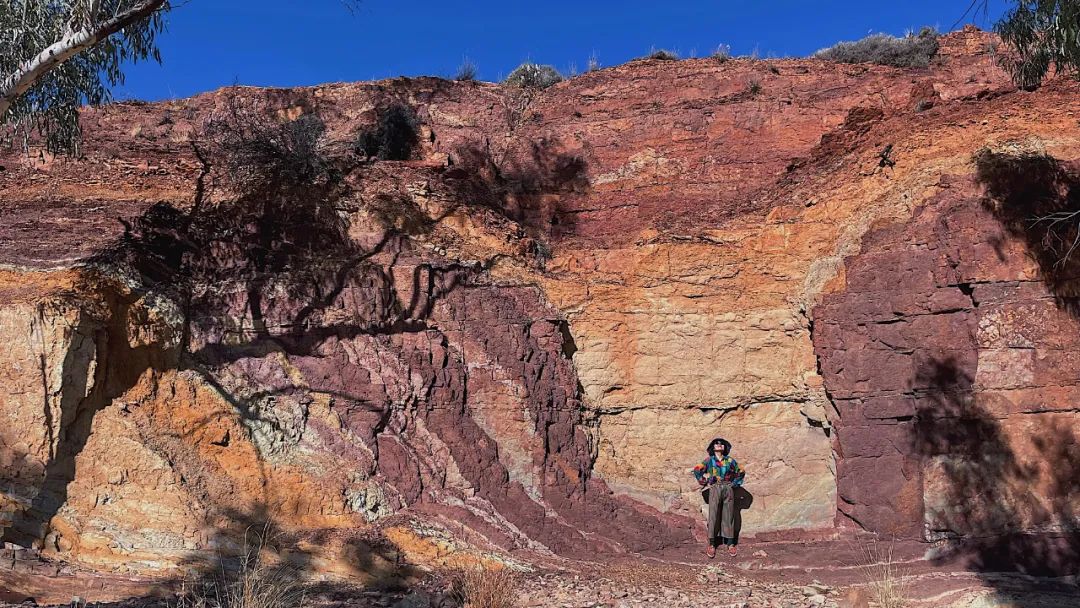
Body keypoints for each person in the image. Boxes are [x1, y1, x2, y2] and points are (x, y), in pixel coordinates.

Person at [692, 437, 745, 558]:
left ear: (725, 447)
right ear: (712, 447)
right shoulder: (709, 461)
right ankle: (712, 544)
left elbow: (741, 471)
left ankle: (731, 543)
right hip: (715, 488)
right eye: (716, 443)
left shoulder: (730, 461)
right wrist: (705, 481)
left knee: (729, 514)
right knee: (713, 514)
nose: (719, 445)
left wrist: (735, 484)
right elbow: (697, 470)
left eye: (722, 444)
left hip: (728, 488)